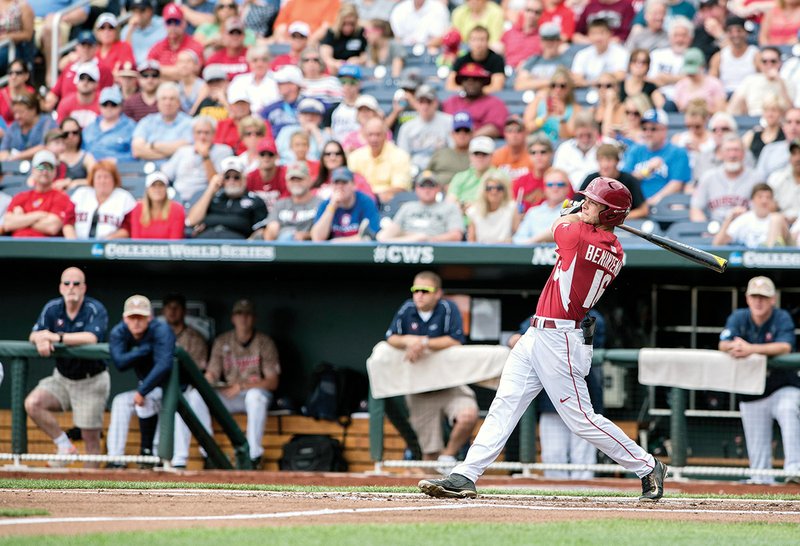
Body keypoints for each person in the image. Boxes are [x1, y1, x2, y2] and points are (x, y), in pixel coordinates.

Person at [418, 177, 668, 502]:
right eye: (587, 200)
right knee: (505, 404)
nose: (586, 203)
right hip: (538, 334)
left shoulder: (579, 235)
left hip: (560, 338)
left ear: (609, 215)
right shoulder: (616, 251)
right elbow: (577, 222)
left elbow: (559, 223)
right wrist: (586, 210)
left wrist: (576, 211)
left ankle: (648, 466)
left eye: (594, 202)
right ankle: (466, 474)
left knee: (580, 419)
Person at [386, 271, 479, 468]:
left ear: (437, 293)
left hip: (449, 383)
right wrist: (410, 340)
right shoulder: (407, 308)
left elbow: (455, 340)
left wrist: (425, 343)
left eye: (425, 290)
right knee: (429, 458)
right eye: (415, 290)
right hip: (420, 388)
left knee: (468, 415)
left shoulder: (447, 308)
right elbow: (391, 337)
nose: (419, 295)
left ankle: (449, 455)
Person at [174, 299, 280, 469]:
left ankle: (253, 456)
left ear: (254, 318)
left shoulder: (264, 342)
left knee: (255, 397)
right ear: (233, 318)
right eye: (239, 314)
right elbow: (212, 374)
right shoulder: (223, 341)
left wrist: (243, 386)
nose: (243, 318)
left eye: (247, 314)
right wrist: (206, 384)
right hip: (228, 394)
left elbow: (273, 382)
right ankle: (209, 453)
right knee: (194, 396)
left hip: (251, 393)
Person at [719, 276, 800, 485]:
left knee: (789, 410)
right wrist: (733, 347)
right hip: (752, 391)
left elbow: (785, 346)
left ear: (773, 299)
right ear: (747, 298)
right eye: (754, 296)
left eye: (763, 297)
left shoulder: (781, 317)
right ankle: (762, 478)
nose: (758, 301)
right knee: (758, 459)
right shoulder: (739, 317)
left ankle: (794, 470)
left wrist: (750, 349)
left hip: (783, 387)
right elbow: (723, 344)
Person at [25, 267, 109, 467]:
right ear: (61, 287)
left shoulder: (95, 308)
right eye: (67, 283)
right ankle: (65, 446)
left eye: (76, 284)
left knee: (90, 439)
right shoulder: (53, 308)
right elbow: (34, 333)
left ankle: (92, 491)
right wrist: (40, 339)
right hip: (62, 378)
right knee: (33, 403)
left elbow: (91, 338)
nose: (72, 288)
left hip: (91, 380)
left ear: (84, 288)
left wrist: (56, 337)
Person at [106, 295, 176, 468]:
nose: (136, 322)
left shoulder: (161, 330)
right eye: (132, 317)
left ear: (150, 317)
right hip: (148, 388)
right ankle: (115, 459)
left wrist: (142, 391)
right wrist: (143, 350)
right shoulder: (119, 331)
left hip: (173, 390)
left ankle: (150, 454)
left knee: (145, 400)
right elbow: (119, 363)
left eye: (141, 317)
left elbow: (164, 365)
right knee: (120, 402)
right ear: (124, 318)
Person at [187, 156, 268, 239]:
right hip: (207, 243)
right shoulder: (212, 198)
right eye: (227, 177)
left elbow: (260, 231)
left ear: (244, 179)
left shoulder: (255, 201)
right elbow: (192, 221)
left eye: (236, 177)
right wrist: (211, 189)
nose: (231, 181)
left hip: (236, 245)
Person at [622, 108, 692, 205]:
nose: (648, 133)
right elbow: (624, 180)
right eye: (644, 128)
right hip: (635, 205)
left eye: (653, 129)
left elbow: (676, 184)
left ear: (664, 130)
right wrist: (646, 171)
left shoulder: (678, 152)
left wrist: (652, 202)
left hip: (664, 206)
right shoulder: (635, 150)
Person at [2, 150, 75, 237]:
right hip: (16, 247)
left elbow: (52, 227)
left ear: (55, 171)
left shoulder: (61, 197)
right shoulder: (20, 197)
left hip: (45, 248)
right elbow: (7, 224)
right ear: (33, 170)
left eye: (49, 167)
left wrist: (22, 218)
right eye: (40, 167)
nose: (44, 171)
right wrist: (39, 215)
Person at [377, 171, 464, 243]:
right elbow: (393, 229)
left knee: (421, 237)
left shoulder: (449, 207)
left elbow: (456, 236)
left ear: (438, 188)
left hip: (437, 250)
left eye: (431, 186)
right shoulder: (407, 207)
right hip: (403, 248)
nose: (427, 190)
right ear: (416, 188)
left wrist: (429, 239)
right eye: (423, 186)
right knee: (382, 235)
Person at [690, 135, 761, 223]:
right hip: (714, 229)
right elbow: (696, 209)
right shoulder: (708, 177)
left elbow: (764, 210)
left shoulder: (757, 178)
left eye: (736, 150)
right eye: (728, 150)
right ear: (721, 154)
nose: (732, 155)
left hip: (745, 228)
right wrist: (704, 228)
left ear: (743, 153)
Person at [162, 116, 232, 201]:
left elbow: (218, 184)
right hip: (177, 198)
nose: (202, 137)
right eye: (199, 132)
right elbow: (165, 175)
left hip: (206, 200)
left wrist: (205, 156)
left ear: (214, 134)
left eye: (206, 133)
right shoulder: (183, 151)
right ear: (193, 134)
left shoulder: (223, 151)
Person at [348, 117, 412, 202]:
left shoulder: (400, 156)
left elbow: (400, 187)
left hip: (389, 203)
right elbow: (350, 185)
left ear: (386, 135)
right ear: (365, 135)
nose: (374, 139)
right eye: (370, 134)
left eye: (378, 134)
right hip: (361, 203)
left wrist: (373, 197)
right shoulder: (355, 157)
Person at [68, 160, 136, 240]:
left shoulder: (125, 198)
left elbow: (127, 229)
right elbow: (68, 223)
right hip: (79, 243)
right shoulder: (81, 194)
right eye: (98, 177)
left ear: (114, 179)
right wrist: (74, 244)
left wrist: (105, 242)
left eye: (106, 177)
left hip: (111, 246)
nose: (102, 181)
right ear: (93, 179)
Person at [578, 143, 648, 219]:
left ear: (617, 161)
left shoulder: (629, 180)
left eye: (609, 160)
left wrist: (615, 218)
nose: (605, 165)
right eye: (601, 160)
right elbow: (575, 205)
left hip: (624, 225)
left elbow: (643, 210)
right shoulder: (591, 179)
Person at [310, 166, 381, 241]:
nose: (340, 186)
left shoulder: (365, 202)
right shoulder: (326, 204)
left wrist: (336, 242)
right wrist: (332, 206)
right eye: (336, 183)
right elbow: (317, 238)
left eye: (344, 182)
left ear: (354, 185)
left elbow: (371, 235)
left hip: (359, 251)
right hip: (332, 252)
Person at [131, 82, 194, 163]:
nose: (167, 103)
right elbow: (137, 150)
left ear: (178, 103)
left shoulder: (189, 123)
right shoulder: (147, 122)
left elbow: (187, 148)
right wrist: (173, 152)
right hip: (148, 172)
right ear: (158, 102)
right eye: (164, 98)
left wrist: (153, 145)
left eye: (172, 99)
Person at [713, 183, 791, 247]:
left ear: (772, 201)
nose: (764, 201)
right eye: (760, 197)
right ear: (752, 200)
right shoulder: (744, 219)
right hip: (748, 262)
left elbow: (791, 245)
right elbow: (717, 244)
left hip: (773, 262)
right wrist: (729, 218)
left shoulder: (777, 220)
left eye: (768, 197)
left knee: (777, 218)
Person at [442, 63, 509, 139]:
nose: (470, 83)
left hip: (481, 145)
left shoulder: (495, 103)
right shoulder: (451, 101)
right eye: (466, 79)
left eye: (475, 79)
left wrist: (467, 139)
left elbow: (494, 129)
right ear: (461, 82)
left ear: (483, 82)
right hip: (451, 143)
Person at [113, 171, 186, 240]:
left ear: (166, 189)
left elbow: (175, 241)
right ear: (147, 189)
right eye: (153, 186)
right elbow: (136, 239)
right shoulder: (137, 209)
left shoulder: (177, 210)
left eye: (161, 185)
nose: (157, 189)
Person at [397, 85, 453, 171]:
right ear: (416, 103)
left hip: (441, 169)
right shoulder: (407, 127)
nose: (425, 106)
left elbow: (453, 150)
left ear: (436, 103)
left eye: (428, 102)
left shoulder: (449, 122)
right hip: (414, 170)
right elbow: (403, 157)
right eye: (421, 101)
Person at [728, 47, 795, 117]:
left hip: (778, 122)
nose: (769, 65)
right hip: (753, 120)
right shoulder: (750, 80)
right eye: (764, 61)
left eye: (773, 61)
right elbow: (734, 106)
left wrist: (780, 82)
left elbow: (791, 111)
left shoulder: (787, 83)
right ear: (760, 63)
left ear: (780, 63)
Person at [263, 161, 322, 241]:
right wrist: (271, 231)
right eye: (292, 179)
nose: (296, 183)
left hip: (308, 248)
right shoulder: (280, 204)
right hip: (282, 247)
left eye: (300, 179)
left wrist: (307, 236)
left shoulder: (320, 203)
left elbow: (324, 233)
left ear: (309, 180)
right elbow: (270, 231)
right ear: (287, 182)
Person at [512, 167, 572, 244]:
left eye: (560, 184)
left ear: (568, 188)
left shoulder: (574, 210)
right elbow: (518, 239)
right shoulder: (533, 212)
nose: (555, 188)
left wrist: (535, 241)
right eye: (550, 184)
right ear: (544, 188)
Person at [146, 3, 205, 82]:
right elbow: (149, 70)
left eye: (176, 22)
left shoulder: (195, 45)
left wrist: (160, 71)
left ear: (184, 23)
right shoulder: (158, 46)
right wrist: (180, 72)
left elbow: (194, 71)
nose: (173, 26)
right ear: (164, 24)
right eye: (169, 22)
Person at [522, 66, 581, 142]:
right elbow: (527, 128)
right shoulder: (538, 101)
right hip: (536, 144)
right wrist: (544, 117)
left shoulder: (575, 108)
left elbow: (567, 136)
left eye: (562, 86)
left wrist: (561, 118)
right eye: (553, 85)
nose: (557, 89)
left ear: (569, 88)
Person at [82, 85, 136, 163]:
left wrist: (118, 161)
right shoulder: (89, 128)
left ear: (121, 106)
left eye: (113, 104)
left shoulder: (131, 127)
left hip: (120, 171)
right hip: (90, 170)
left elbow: (136, 155)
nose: (109, 108)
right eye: (105, 104)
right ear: (99, 106)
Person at [446, 25, 506, 94]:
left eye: (482, 39)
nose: (478, 44)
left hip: (487, 98)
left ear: (488, 41)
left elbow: (497, 87)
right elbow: (449, 85)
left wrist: (475, 92)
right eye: (474, 40)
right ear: (469, 42)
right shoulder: (461, 60)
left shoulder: (496, 60)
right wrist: (468, 92)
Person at [708, 16, 758, 97]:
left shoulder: (755, 55)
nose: (735, 34)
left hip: (749, 96)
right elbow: (711, 82)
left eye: (739, 31)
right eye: (731, 31)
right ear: (727, 34)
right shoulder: (719, 57)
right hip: (725, 96)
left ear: (745, 32)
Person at [513, 22, 572, 92]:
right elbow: (519, 85)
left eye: (553, 39)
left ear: (559, 41)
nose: (549, 43)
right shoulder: (533, 60)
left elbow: (571, 82)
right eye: (546, 39)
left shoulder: (567, 61)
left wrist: (533, 80)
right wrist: (553, 81)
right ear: (541, 42)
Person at [569, 18, 628, 88]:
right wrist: (595, 83)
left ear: (610, 34)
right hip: (586, 92)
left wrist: (587, 83)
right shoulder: (582, 54)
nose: (598, 38)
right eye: (594, 33)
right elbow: (576, 79)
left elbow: (620, 76)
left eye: (602, 33)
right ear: (588, 35)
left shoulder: (621, 53)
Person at [0, 91, 56, 161]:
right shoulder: (13, 127)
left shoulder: (48, 123)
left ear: (33, 110)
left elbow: (46, 146)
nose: (17, 116)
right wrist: (6, 156)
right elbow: (3, 150)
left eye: (21, 112)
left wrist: (17, 156)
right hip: (15, 169)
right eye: (15, 113)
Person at [466, 170, 520, 243]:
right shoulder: (474, 211)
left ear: (505, 190)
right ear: (483, 190)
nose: (494, 192)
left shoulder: (512, 208)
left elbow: (519, 237)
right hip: (481, 252)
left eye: (499, 188)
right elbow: (471, 241)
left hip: (505, 251)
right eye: (489, 188)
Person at [552, 111, 602, 190]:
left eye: (589, 135)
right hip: (569, 196)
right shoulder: (564, 148)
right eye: (581, 135)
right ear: (575, 132)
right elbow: (557, 177)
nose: (585, 139)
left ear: (596, 132)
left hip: (598, 196)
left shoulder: (606, 147)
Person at [161, 293, 209, 371]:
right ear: (163, 311)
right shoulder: (156, 336)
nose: (172, 310)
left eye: (177, 307)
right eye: (169, 307)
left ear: (184, 311)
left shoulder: (196, 339)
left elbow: (198, 370)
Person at [228, 45, 280, 114]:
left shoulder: (278, 80)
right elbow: (234, 106)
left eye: (264, 60)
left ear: (269, 62)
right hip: (245, 121)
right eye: (255, 60)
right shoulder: (239, 81)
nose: (259, 64)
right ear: (249, 62)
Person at [427, 112, 473, 188]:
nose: (462, 134)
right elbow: (426, 175)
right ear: (452, 133)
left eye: (466, 130)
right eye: (458, 130)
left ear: (472, 133)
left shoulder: (478, 156)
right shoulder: (440, 153)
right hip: (438, 195)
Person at [447, 137, 496, 209]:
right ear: (470, 155)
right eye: (476, 153)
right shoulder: (460, 177)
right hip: (460, 218)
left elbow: (501, 205)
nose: (480, 157)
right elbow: (450, 203)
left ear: (492, 156)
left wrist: (473, 207)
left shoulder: (500, 177)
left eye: (484, 154)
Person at [673, 47, 726, 113]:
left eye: (693, 72)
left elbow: (721, 111)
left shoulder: (714, 84)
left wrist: (700, 109)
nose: (691, 74)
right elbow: (679, 110)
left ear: (702, 66)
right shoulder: (680, 85)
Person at [320, 2, 367, 73]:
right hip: (336, 70)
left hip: (356, 70)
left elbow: (367, 55)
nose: (348, 27)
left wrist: (358, 60)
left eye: (351, 24)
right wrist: (335, 63)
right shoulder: (332, 32)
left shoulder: (360, 32)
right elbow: (326, 57)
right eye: (344, 23)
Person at [512, 134, 553, 212]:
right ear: (528, 155)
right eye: (533, 153)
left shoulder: (560, 179)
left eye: (543, 152)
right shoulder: (521, 181)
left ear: (551, 153)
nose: (538, 156)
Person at [499, 0, 543, 69]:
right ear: (523, 11)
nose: (532, 15)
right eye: (529, 10)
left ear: (541, 15)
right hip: (508, 70)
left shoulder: (542, 37)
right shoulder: (510, 32)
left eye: (536, 12)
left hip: (530, 72)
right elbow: (500, 49)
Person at [743, 93, 786, 161]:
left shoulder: (786, 135)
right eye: (766, 110)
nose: (770, 114)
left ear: (781, 113)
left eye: (774, 110)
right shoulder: (752, 135)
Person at [122, 0, 167, 64]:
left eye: (142, 10)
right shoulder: (126, 30)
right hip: (135, 69)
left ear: (150, 11)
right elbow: (125, 55)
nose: (138, 15)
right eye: (134, 11)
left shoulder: (163, 24)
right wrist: (130, 30)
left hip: (158, 68)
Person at [768, 138, 800, 224]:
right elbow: (768, 206)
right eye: (794, 154)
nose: (798, 158)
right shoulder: (776, 178)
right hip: (780, 223)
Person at [492, 115, 534, 181]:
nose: (514, 135)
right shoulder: (497, 156)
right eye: (510, 130)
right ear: (505, 134)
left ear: (525, 133)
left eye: (518, 130)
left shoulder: (533, 156)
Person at [0, 59, 34, 126]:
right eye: (10, 73)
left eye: (18, 73)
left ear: (26, 76)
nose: (13, 76)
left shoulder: (31, 93)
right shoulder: (1, 94)